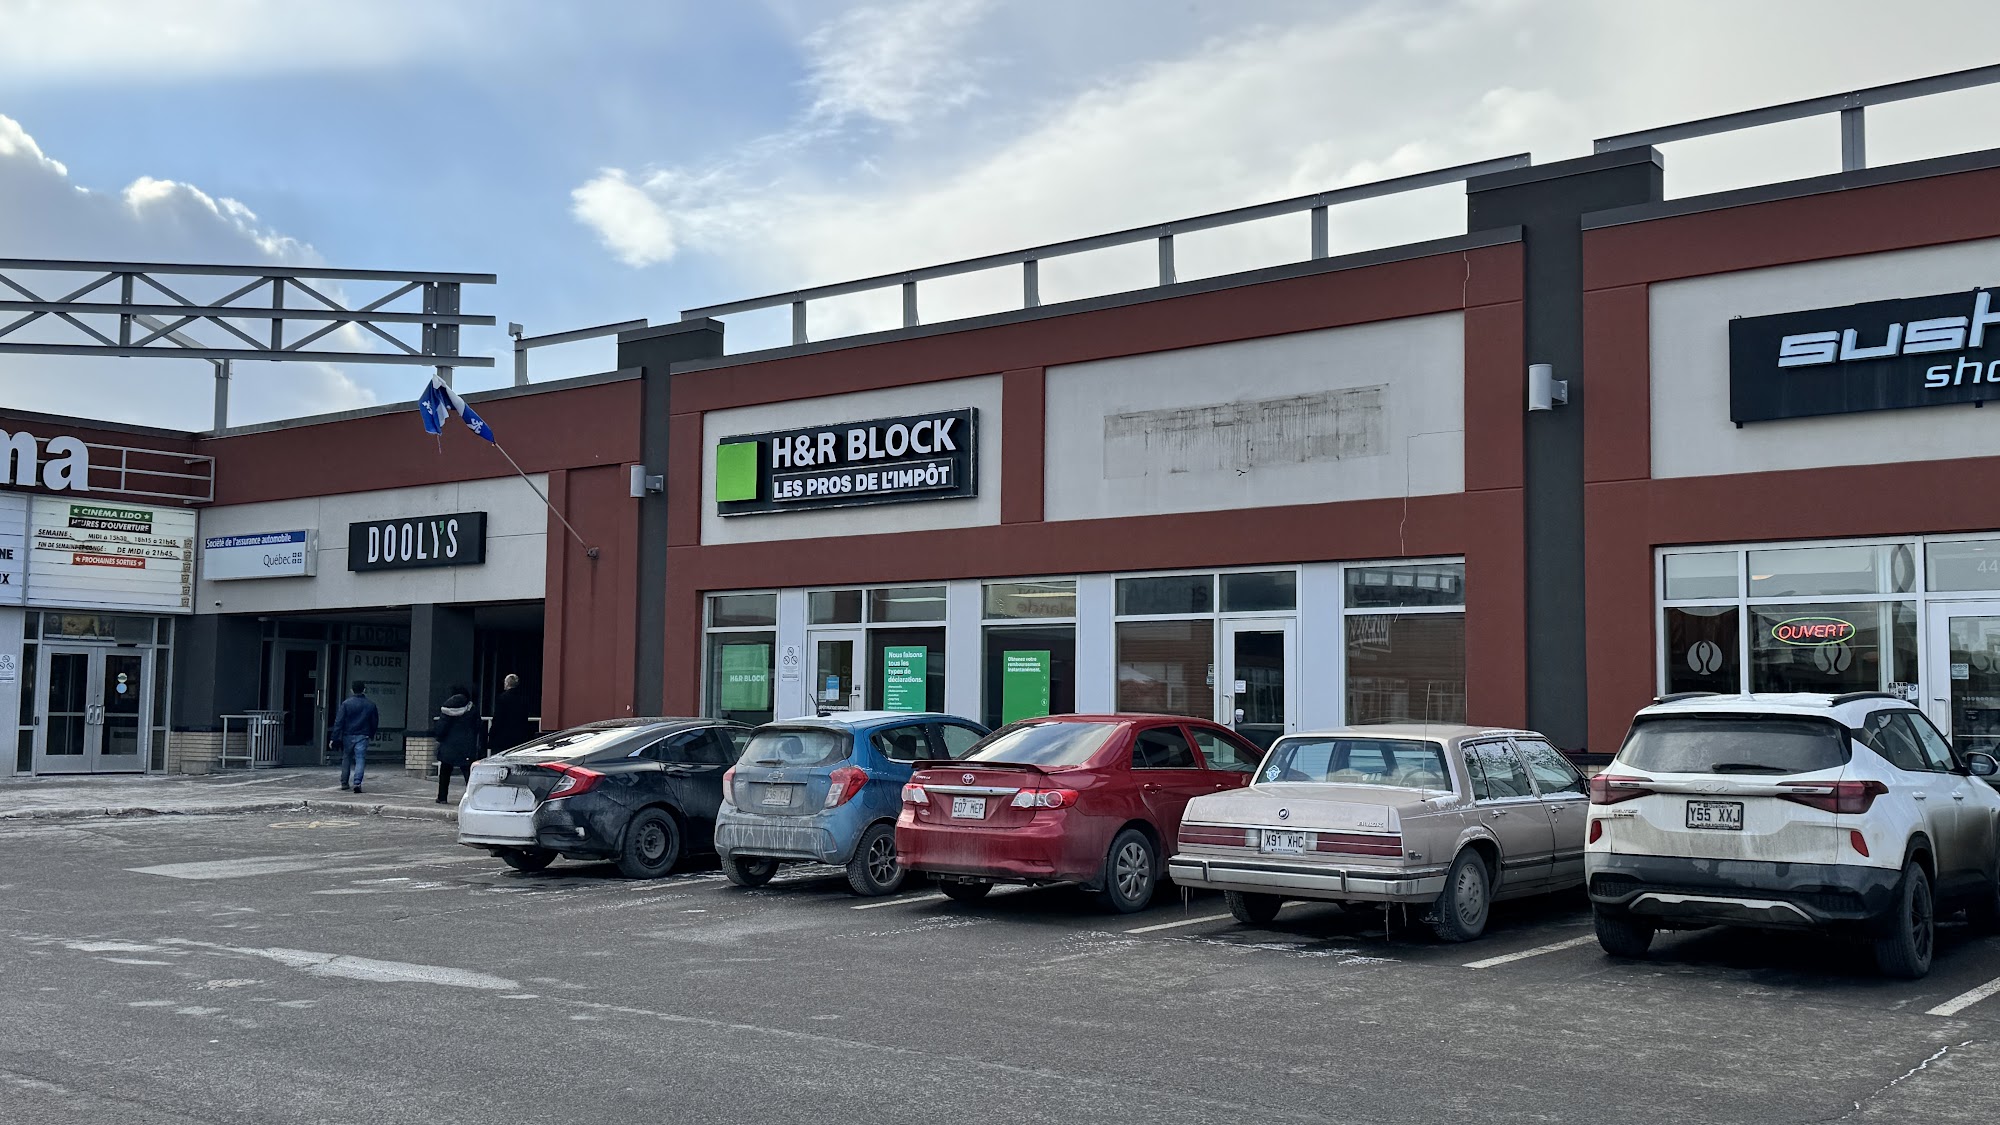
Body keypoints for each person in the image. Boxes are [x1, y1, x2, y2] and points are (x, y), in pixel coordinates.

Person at [432, 683, 485, 804]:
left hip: (448, 746)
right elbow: (477, 726)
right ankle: (473, 798)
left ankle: (442, 797)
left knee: (445, 772)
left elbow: (441, 728)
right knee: (468, 772)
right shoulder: (472, 708)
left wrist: (439, 738)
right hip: (466, 745)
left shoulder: (447, 709)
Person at [328, 681, 380, 793]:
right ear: (364, 690)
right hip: (363, 735)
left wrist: (334, 737)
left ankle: (344, 782)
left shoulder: (346, 704)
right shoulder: (370, 705)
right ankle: (357, 783)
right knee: (360, 759)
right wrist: (371, 734)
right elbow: (374, 722)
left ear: (351, 690)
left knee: (346, 758)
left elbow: (339, 722)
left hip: (348, 735)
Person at [489, 673, 535, 753]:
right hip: (519, 736)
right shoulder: (523, 698)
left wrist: (492, 734)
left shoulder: (502, 698)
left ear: (507, 683)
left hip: (503, 736)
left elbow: (498, 718)